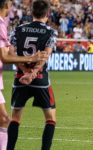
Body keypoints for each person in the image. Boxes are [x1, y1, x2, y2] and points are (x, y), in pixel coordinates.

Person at [7, 0, 57, 150]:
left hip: (20, 79)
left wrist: (24, 71)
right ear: (47, 13)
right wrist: (33, 73)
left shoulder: (18, 29)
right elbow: (45, 56)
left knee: (15, 118)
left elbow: (11, 54)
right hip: (40, 80)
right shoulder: (50, 32)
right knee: (50, 119)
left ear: (31, 12)